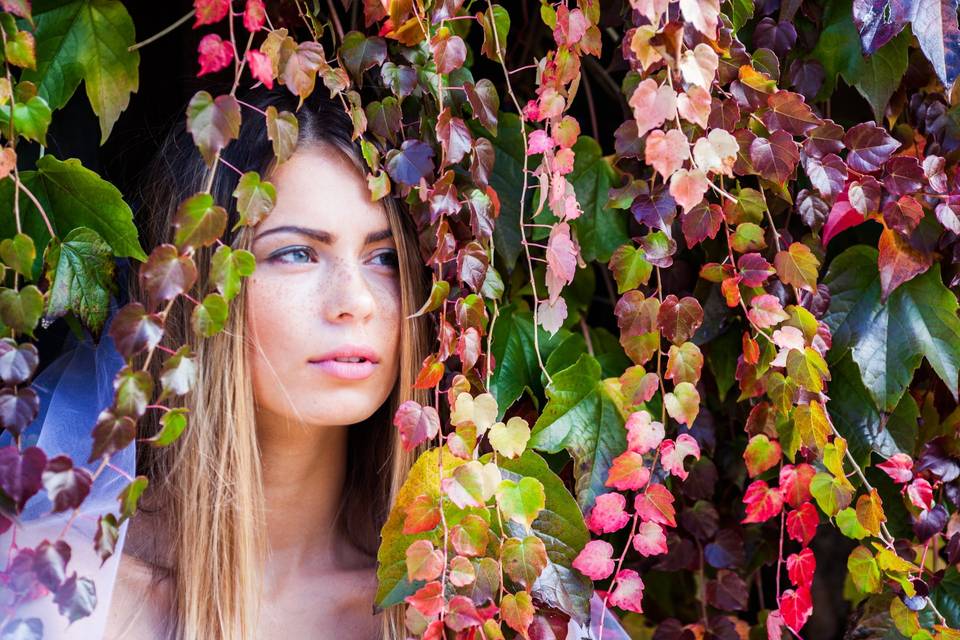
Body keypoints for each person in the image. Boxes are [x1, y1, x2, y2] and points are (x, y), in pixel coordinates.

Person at [6, 84, 630, 639]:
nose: (355, 303)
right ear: (199, 292)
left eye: (384, 258)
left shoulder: (470, 608)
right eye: (297, 254)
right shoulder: (69, 593)